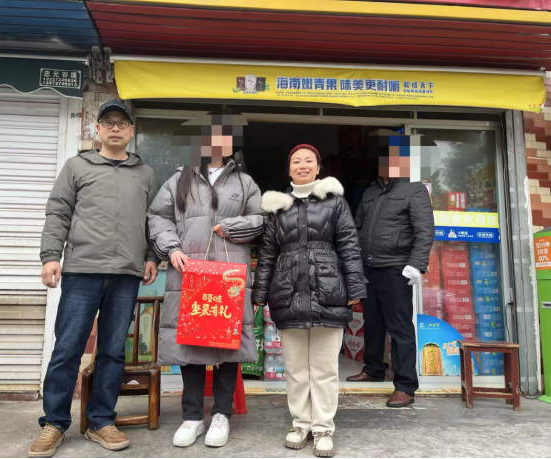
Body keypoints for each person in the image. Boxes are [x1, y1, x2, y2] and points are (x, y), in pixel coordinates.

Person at [29, 101, 159, 458]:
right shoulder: (77, 166)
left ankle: (101, 421)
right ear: (97, 129)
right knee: (68, 348)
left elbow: (153, 220)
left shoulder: (145, 173)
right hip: (82, 270)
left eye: (122, 123)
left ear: (131, 131)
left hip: (126, 274)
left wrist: (152, 256)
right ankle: (54, 423)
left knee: (113, 351)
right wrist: (51, 256)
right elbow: (58, 211)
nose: (115, 128)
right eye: (108, 122)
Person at [147, 110, 263, 449]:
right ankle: (193, 416)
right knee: (191, 342)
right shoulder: (179, 179)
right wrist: (171, 249)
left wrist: (231, 227)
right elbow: (158, 217)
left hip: (229, 274)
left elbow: (260, 220)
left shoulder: (244, 182)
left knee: (227, 341)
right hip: (189, 272)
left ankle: (222, 414)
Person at [253, 144, 367, 458]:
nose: (302, 165)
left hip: (328, 292)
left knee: (324, 368)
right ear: (289, 169)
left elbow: (349, 245)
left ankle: (323, 428)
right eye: (296, 161)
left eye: (308, 161)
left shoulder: (335, 202)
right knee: (295, 368)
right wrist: (259, 294)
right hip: (287, 292)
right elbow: (267, 255)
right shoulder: (277, 207)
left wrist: (355, 286)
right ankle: (300, 424)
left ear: (318, 168)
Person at [346, 130, 435, 408]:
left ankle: (406, 385)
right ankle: (373, 368)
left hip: (397, 269)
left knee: (399, 327)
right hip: (369, 267)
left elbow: (425, 230)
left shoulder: (414, 190)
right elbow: (357, 228)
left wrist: (416, 265)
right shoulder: (370, 192)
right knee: (372, 322)